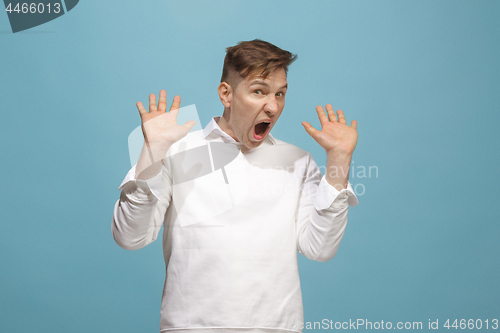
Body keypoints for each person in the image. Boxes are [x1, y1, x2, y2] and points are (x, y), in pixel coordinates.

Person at [112, 39, 359, 333]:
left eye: (280, 94)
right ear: (226, 94)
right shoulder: (177, 152)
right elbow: (130, 237)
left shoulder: (298, 161)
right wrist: (152, 153)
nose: (273, 106)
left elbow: (319, 248)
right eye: (259, 91)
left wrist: (339, 160)